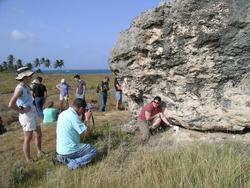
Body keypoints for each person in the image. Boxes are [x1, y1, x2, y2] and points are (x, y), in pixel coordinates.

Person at [8, 67, 48, 163]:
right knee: (28, 138)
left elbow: (30, 91)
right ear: (24, 77)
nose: (31, 77)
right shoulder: (19, 89)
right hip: (26, 116)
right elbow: (10, 104)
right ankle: (28, 159)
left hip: (32, 114)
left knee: (38, 134)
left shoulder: (26, 87)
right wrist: (22, 110)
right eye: (30, 76)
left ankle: (39, 151)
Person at [52, 98, 98, 170]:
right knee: (93, 150)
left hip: (60, 148)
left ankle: (61, 158)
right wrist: (87, 119)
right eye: (83, 110)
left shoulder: (63, 113)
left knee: (80, 150)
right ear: (81, 109)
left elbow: (77, 126)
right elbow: (85, 133)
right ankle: (74, 164)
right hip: (70, 149)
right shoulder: (73, 117)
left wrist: (83, 117)